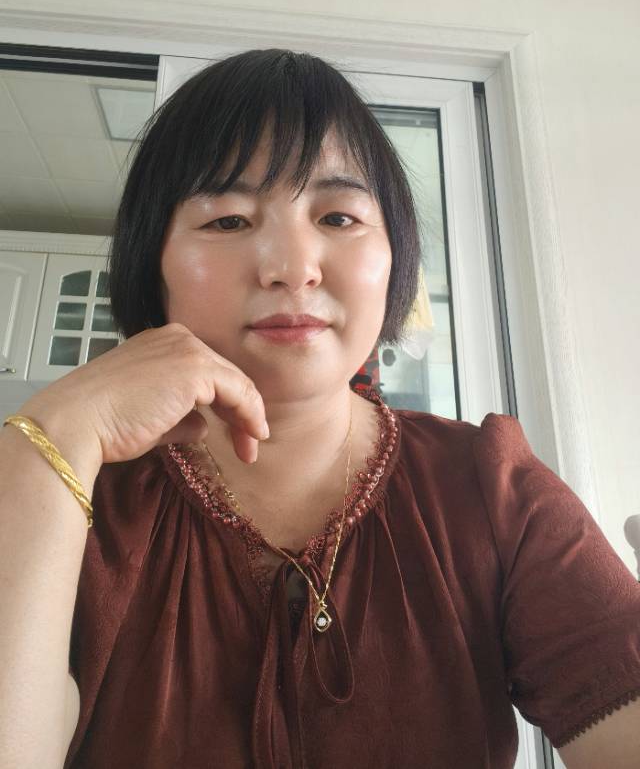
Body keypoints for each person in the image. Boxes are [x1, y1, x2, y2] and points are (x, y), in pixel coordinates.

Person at [1, 49, 639, 769]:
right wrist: (46, 437)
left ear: (394, 258)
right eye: (228, 221)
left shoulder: (492, 488)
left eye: (338, 216)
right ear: (154, 261)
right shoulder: (73, 502)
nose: (293, 267)